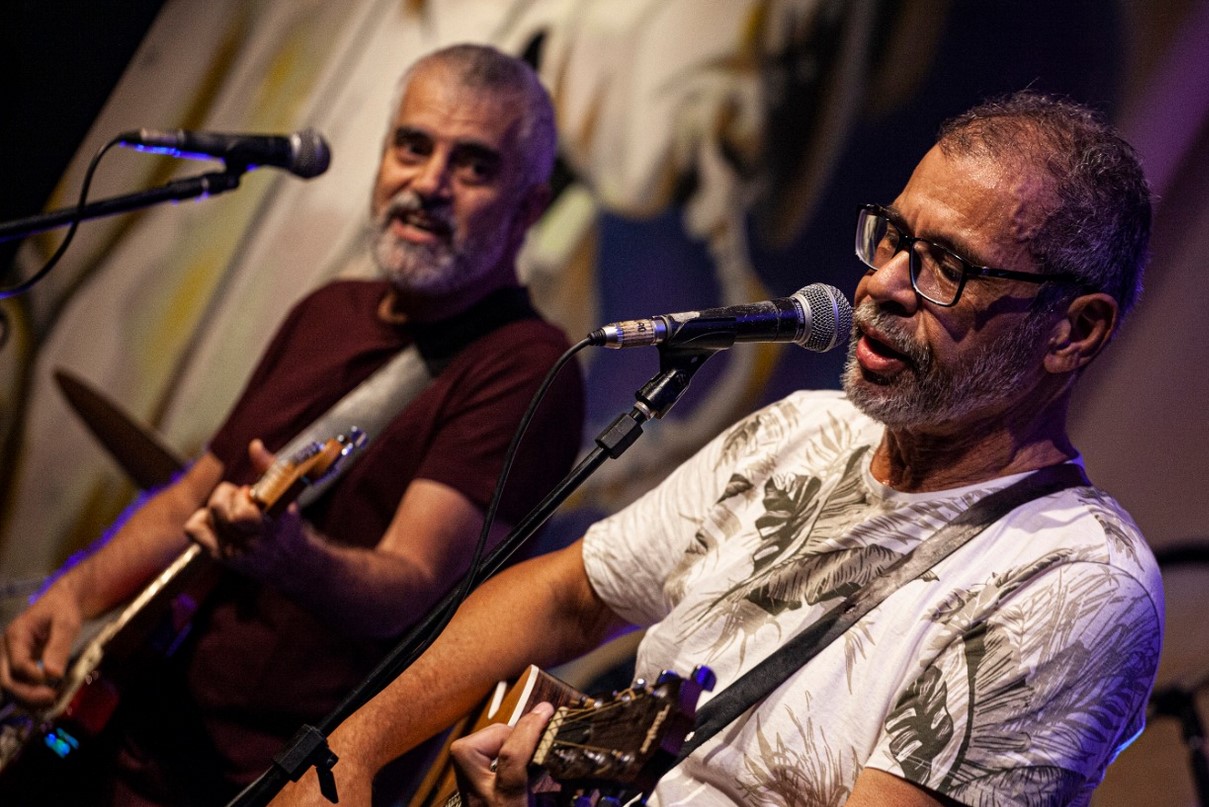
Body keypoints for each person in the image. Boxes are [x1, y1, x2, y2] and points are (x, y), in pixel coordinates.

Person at [271, 90, 1162, 807]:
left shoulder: (1076, 582)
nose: (881, 283)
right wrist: (347, 754)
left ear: (1072, 331)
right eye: (892, 236)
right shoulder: (804, 431)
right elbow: (571, 592)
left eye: (946, 265)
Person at [0, 43, 584, 806]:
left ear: (527, 207)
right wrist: (73, 594)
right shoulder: (330, 309)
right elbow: (190, 500)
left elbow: (411, 587)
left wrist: (291, 556)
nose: (428, 184)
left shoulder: (527, 367)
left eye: (473, 165)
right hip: (134, 727)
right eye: (412, 147)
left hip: (267, 777)